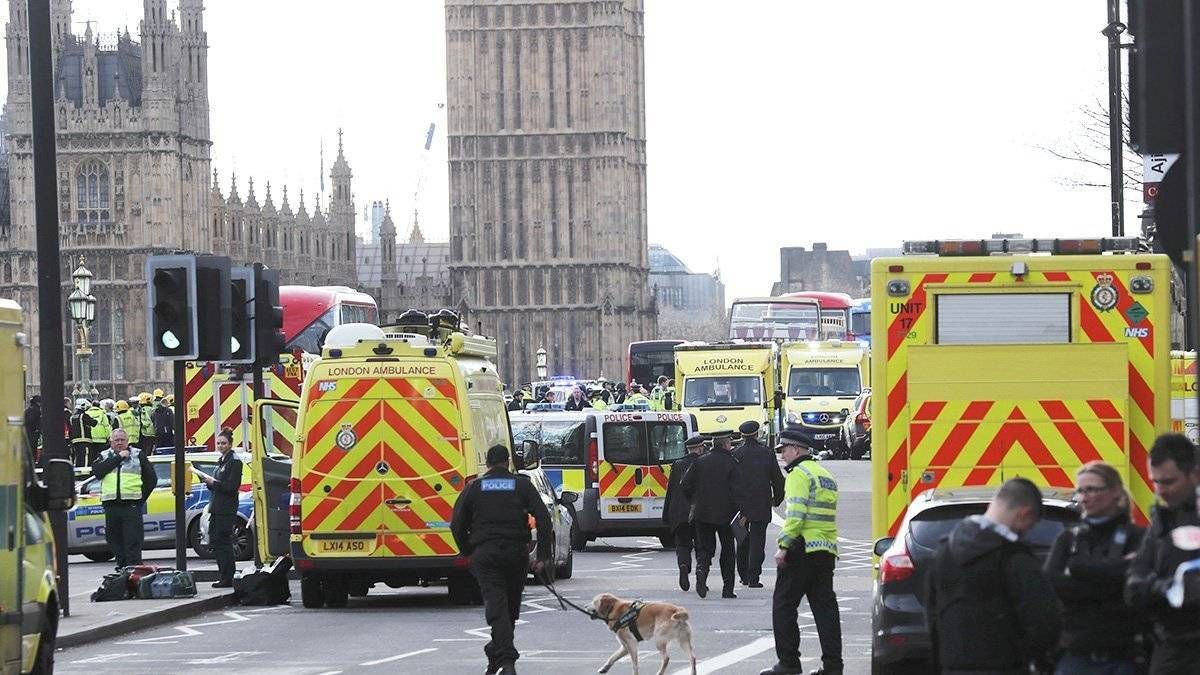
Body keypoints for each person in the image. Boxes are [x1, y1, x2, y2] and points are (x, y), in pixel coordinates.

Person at [924, 477, 1061, 675]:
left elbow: (933, 617)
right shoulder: (1016, 559)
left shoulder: (943, 553)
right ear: (1024, 513)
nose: (1026, 532)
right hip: (1007, 667)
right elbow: (1044, 621)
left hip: (953, 667)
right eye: (1030, 525)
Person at [450, 444, 552, 675]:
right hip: (515, 554)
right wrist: (544, 556)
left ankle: (501, 657)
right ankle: (503, 659)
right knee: (510, 609)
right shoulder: (521, 485)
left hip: (485, 555)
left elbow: (456, 524)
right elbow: (543, 517)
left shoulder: (474, 487)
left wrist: (468, 551)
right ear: (507, 462)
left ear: (487, 464)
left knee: (498, 608)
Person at [1044, 462, 1147, 674]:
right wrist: (1116, 572)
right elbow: (1051, 585)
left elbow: (1138, 588)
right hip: (1077, 657)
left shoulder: (1139, 537)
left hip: (1124, 658)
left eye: (1092, 489)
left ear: (1115, 492)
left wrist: (1079, 570)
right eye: (1081, 490)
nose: (1084, 497)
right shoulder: (1069, 539)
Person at [762, 429, 843, 675]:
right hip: (825, 550)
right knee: (825, 610)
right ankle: (833, 666)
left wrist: (784, 546)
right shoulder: (825, 474)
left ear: (796, 450)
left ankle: (788, 663)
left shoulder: (798, 475)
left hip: (802, 547)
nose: (783, 456)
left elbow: (795, 514)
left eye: (784, 450)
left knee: (784, 606)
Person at [1126, 433, 1200, 673]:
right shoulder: (1162, 522)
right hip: (1171, 647)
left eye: (1168, 481)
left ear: (1193, 474)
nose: (1160, 490)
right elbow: (1134, 583)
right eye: (1155, 481)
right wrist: (1164, 588)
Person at [682, 430, 739, 599]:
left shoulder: (700, 462)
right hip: (726, 515)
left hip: (703, 512)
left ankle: (701, 571)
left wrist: (696, 500)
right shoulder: (732, 462)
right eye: (730, 442)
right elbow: (739, 490)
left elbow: (684, 484)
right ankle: (728, 589)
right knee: (728, 551)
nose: (731, 445)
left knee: (705, 548)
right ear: (726, 444)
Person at [90, 428, 155, 569]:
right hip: (111, 506)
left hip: (131, 506)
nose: (119, 443)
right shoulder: (103, 455)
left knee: (133, 541)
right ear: (111, 442)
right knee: (114, 540)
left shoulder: (138, 455)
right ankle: (122, 569)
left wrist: (139, 498)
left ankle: (134, 572)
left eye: (122, 440)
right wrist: (119, 457)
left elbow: (151, 480)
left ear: (127, 441)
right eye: (116, 440)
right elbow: (98, 472)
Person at [734, 420, 785, 588]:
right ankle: (754, 577)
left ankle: (743, 575)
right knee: (757, 542)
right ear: (757, 433)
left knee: (742, 541)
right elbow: (777, 479)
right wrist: (777, 499)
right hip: (760, 504)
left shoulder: (736, 454)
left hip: (740, 505)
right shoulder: (766, 453)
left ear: (742, 435)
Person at [663, 434, 705, 591]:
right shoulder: (703, 463)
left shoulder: (677, 464)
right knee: (701, 545)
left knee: (683, 544)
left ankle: (683, 565)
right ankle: (701, 571)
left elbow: (671, 491)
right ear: (700, 448)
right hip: (699, 512)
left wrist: (666, 514)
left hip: (679, 513)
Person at [203, 428, 244, 588]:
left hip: (226, 509)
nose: (220, 446)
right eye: (218, 443)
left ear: (230, 444)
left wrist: (214, 483)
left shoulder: (234, 461)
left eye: (223, 443)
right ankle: (224, 575)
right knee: (216, 542)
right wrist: (209, 483)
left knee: (223, 543)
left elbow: (232, 486)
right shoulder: (223, 460)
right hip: (217, 507)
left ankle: (227, 577)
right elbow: (220, 486)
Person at [84, 397, 112, 466]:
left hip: (91, 439)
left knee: (92, 457)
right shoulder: (102, 414)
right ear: (99, 406)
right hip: (101, 440)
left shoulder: (86, 413)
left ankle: (92, 470)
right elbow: (106, 426)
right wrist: (109, 436)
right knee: (101, 457)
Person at [69, 399, 89, 467]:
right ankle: (85, 474)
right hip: (84, 440)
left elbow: (70, 430)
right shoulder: (83, 416)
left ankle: (77, 474)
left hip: (75, 441)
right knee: (85, 456)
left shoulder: (72, 417)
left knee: (77, 457)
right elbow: (93, 423)